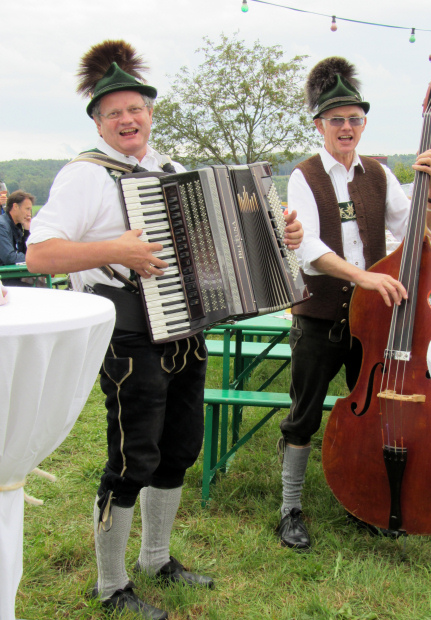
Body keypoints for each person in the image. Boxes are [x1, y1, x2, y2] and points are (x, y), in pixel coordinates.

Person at [26, 40, 304, 618]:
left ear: (151, 114)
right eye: (114, 113)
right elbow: (39, 255)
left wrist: (282, 239)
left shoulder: (171, 171)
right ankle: (110, 586)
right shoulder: (85, 176)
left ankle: (156, 558)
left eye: (136, 109)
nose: (127, 120)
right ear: (99, 123)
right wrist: (115, 248)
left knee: (180, 448)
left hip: (185, 327)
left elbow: (218, 249)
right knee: (133, 457)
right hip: (129, 336)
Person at [277, 56, 431, 551]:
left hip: (374, 324)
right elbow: (310, 250)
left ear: (363, 123)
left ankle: (365, 499)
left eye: (354, 119)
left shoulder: (380, 174)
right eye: (336, 120)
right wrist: (363, 278)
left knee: (370, 415)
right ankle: (289, 509)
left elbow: (416, 237)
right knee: (304, 414)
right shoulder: (304, 176)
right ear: (319, 124)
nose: (346, 128)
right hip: (320, 315)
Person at [0, 190, 34, 285]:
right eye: (27, 209)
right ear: (15, 207)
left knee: (42, 286)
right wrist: (34, 257)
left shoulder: (16, 226)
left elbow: (23, 253)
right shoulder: (2, 226)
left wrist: (27, 231)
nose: (29, 214)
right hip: (3, 278)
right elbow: (9, 257)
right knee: (40, 290)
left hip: (11, 275)